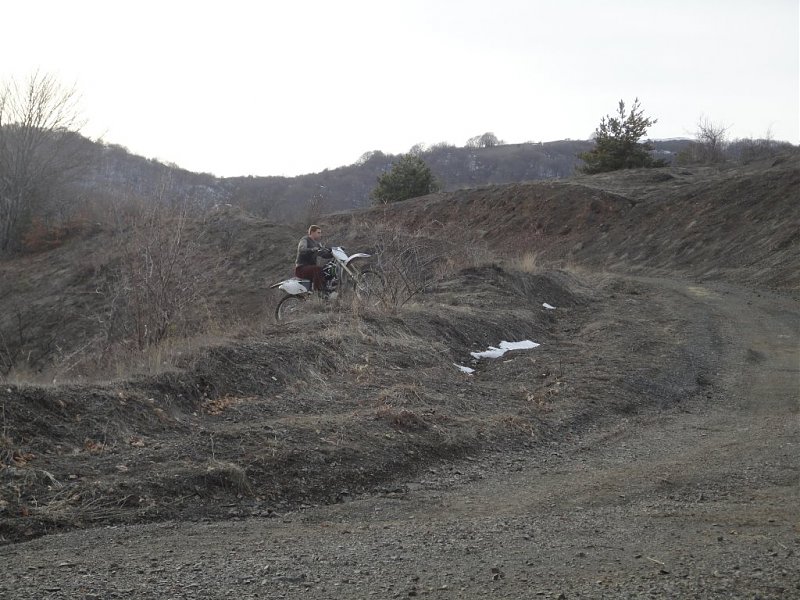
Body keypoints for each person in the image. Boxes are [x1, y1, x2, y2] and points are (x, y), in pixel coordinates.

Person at [294, 225, 333, 292]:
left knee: (327, 269)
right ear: (312, 232)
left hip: (310, 268)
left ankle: (328, 290)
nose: (320, 235)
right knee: (318, 269)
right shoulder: (305, 239)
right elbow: (301, 249)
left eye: (320, 233)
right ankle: (318, 292)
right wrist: (312, 249)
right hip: (301, 268)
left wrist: (334, 252)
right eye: (318, 233)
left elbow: (324, 254)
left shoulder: (317, 244)